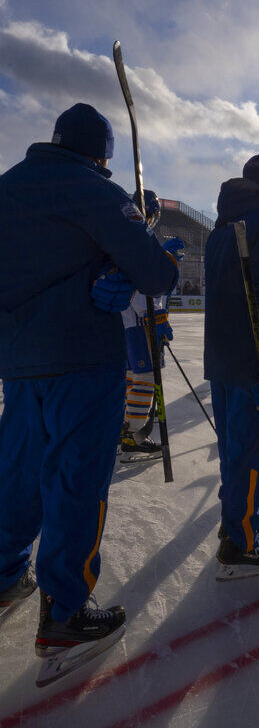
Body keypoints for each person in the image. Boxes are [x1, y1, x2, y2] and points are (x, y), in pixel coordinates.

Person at [0, 103, 178, 674]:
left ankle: (4, 575)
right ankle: (66, 613)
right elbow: (158, 274)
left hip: (19, 360)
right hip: (81, 357)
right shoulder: (94, 190)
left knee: (19, 471)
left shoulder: (9, 187)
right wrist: (130, 257)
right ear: (100, 154)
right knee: (76, 478)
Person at [204, 154, 259, 581]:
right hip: (253, 361)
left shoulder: (219, 231)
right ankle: (240, 541)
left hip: (221, 360)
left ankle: (234, 525)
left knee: (232, 452)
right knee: (253, 454)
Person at [119, 190, 184, 462]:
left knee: (132, 377)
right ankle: (133, 436)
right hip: (136, 323)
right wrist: (157, 318)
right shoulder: (139, 240)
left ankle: (124, 428)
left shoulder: (121, 235)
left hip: (121, 323)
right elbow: (143, 289)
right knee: (145, 378)